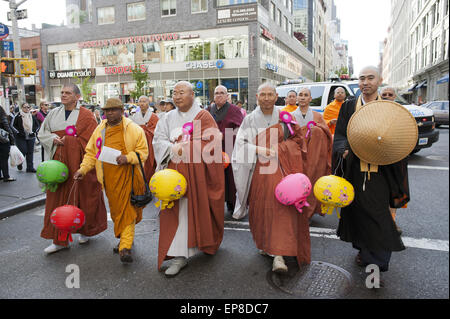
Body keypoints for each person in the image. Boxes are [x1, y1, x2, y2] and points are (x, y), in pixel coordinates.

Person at [332, 66, 408, 283]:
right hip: (354, 169)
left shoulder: (389, 108)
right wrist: (344, 149)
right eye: (362, 78)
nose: (365, 82)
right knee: (356, 211)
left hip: (380, 171)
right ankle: (364, 251)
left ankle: (377, 263)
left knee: (377, 214)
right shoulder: (348, 106)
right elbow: (340, 134)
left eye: (370, 78)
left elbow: (400, 138)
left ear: (379, 80)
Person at [232, 83, 311, 273]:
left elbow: (298, 141)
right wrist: (259, 149)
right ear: (257, 97)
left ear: (277, 97)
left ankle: (279, 255)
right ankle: (266, 244)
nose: (266, 98)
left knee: (281, 211)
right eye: (263, 95)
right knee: (261, 210)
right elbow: (240, 145)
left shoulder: (286, 117)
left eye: (270, 95)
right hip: (259, 172)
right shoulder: (250, 119)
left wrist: (281, 148)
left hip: (282, 171)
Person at [153, 81, 225, 277]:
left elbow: (213, 143)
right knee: (175, 214)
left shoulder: (204, 116)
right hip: (172, 175)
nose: (176, 96)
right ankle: (179, 256)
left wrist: (187, 145)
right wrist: (172, 147)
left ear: (192, 95)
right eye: (174, 93)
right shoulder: (167, 118)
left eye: (181, 92)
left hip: (197, 176)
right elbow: (158, 140)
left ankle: (199, 244)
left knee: (194, 212)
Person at [74, 98, 148, 263]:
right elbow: (91, 153)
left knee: (127, 211)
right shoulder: (99, 130)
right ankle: (124, 238)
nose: (110, 113)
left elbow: (143, 152)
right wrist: (83, 169)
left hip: (129, 176)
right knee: (116, 212)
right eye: (107, 111)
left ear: (122, 111)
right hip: (108, 179)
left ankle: (125, 248)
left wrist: (128, 158)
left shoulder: (133, 129)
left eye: (113, 110)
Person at [38, 84, 108, 254]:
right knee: (57, 199)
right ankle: (60, 240)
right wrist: (53, 139)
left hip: (80, 164)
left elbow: (92, 142)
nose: (63, 95)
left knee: (85, 197)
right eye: (62, 92)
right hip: (58, 166)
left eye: (67, 93)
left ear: (77, 96)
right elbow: (42, 133)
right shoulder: (53, 114)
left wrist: (69, 141)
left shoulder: (86, 115)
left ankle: (86, 230)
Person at [291, 88, 332, 219]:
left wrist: (317, 130)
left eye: (306, 95)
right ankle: (295, 209)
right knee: (297, 182)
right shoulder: (290, 115)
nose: (302, 97)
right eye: (300, 95)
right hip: (296, 155)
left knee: (313, 180)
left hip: (314, 156)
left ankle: (309, 211)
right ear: (297, 99)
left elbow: (326, 133)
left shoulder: (317, 116)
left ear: (310, 99)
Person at [207, 85, 244, 213]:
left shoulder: (234, 110)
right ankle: (214, 204)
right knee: (213, 177)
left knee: (230, 178)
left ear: (227, 96)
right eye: (216, 93)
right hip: (211, 149)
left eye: (222, 93)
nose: (219, 95)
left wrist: (224, 134)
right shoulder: (208, 110)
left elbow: (240, 129)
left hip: (229, 147)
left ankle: (232, 203)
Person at [380, 86, 404, 234]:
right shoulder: (373, 111)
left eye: (390, 94)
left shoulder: (401, 113)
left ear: (394, 97)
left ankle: (392, 222)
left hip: (396, 157)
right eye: (384, 94)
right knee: (380, 192)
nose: (387, 96)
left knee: (394, 192)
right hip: (377, 158)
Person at [130, 95, 159, 182]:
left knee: (149, 164)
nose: (142, 103)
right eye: (140, 101)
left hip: (150, 144)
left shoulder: (154, 116)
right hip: (138, 144)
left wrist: (145, 131)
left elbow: (156, 131)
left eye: (144, 101)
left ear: (148, 103)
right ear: (138, 103)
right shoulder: (134, 117)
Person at [13, 103, 40, 173]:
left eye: (28, 107)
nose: (27, 109)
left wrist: (34, 132)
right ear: (22, 108)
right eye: (25, 107)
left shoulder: (32, 116)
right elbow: (12, 126)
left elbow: (37, 125)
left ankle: (30, 167)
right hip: (21, 137)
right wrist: (18, 132)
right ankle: (19, 162)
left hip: (31, 136)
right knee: (23, 151)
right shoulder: (18, 116)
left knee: (30, 152)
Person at [0, 106, 16, 182]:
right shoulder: (2, 117)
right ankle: (6, 176)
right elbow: (7, 128)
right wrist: (12, 140)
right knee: (4, 159)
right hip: (3, 141)